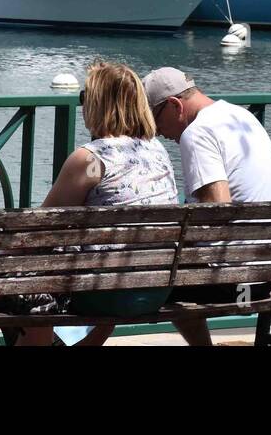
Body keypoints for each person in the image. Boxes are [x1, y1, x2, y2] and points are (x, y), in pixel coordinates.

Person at [14, 62, 178, 346]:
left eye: (84, 97)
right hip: (156, 289)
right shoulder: (158, 150)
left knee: (17, 275)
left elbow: (37, 229)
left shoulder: (90, 159)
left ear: (98, 103)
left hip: (105, 294)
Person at [143, 66, 271, 345]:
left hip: (234, 279)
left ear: (174, 105)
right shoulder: (242, 116)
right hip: (268, 273)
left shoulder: (197, 133)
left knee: (139, 282)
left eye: (155, 121)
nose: (158, 133)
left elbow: (219, 210)